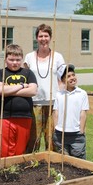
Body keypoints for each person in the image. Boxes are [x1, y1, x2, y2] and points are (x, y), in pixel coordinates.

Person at [24, 23, 65, 153]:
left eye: (46, 36)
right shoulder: (29, 57)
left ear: (50, 37)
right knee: (33, 138)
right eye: (40, 36)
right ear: (36, 38)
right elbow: (25, 79)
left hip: (53, 104)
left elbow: (63, 80)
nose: (43, 39)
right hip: (34, 103)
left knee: (52, 138)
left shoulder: (58, 57)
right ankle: (31, 164)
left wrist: (60, 97)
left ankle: (51, 164)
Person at [0, 44, 37, 158]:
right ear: (5, 59)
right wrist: (22, 86)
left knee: (20, 150)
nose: (15, 62)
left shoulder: (28, 73)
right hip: (5, 116)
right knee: (4, 150)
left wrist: (8, 90)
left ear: (22, 59)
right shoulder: (0, 73)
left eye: (18, 60)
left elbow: (33, 91)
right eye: (11, 59)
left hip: (24, 117)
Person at [52, 64, 89, 159]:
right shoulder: (59, 95)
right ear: (63, 80)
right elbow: (55, 112)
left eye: (73, 75)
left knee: (79, 161)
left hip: (76, 134)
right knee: (62, 160)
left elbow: (83, 113)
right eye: (68, 76)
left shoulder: (82, 93)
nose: (72, 78)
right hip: (61, 134)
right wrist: (56, 128)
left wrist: (81, 130)